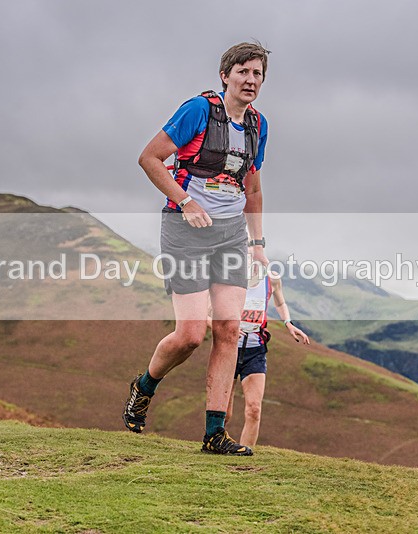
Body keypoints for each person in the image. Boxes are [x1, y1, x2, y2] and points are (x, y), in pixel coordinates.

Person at [123, 42, 271, 456]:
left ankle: (214, 434)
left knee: (228, 330)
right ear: (226, 75)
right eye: (243, 71)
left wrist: (257, 243)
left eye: (257, 74)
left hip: (230, 235)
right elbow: (149, 158)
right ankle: (144, 386)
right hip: (185, 230)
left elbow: (253, 187)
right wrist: (186, 203)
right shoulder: (198, 111)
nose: (250, 80)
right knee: (191, 334)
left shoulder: (259, 125)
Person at [223, 257, 309, 448]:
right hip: (228, 350)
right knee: (224, 413)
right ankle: (215, 445)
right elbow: (208, 312)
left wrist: (288, 323)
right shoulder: (228, 278)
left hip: (256, 351)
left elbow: (280, 302)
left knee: (254, 409)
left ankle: (244, 460)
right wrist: (226, 328)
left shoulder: (272, 279)